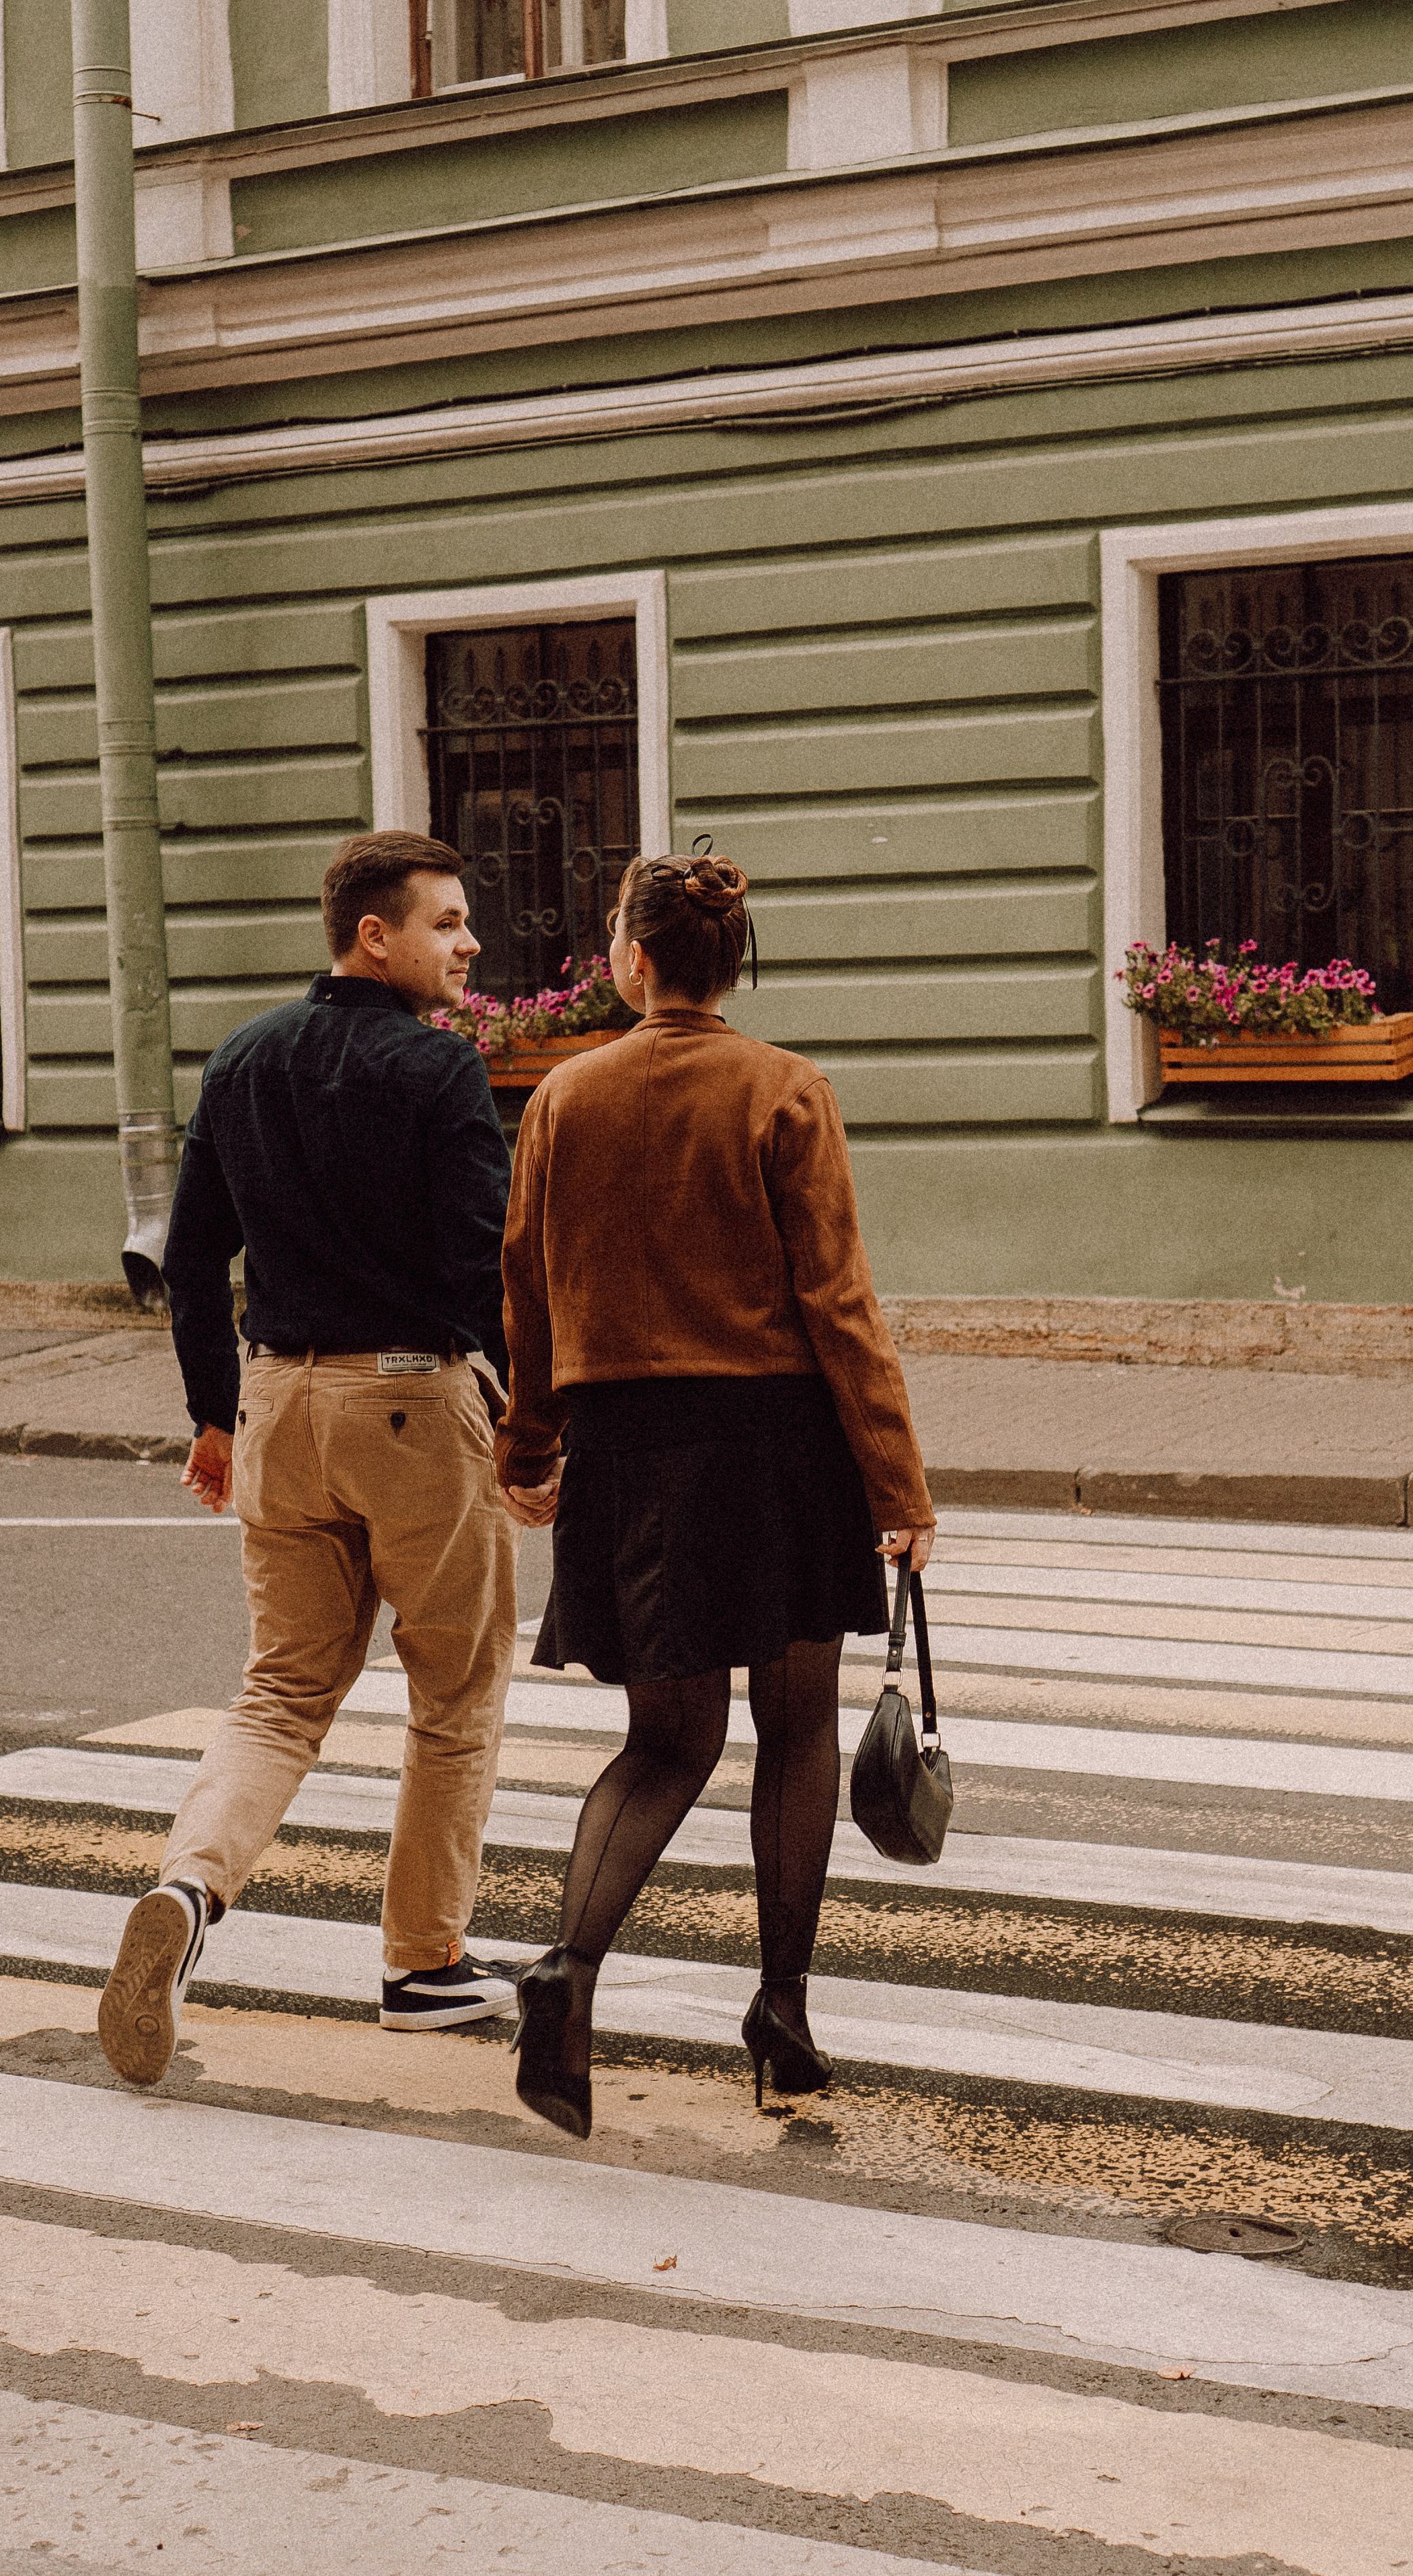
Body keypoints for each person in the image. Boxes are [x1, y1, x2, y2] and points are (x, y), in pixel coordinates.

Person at [496, 845, 935, 2138]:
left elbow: (526, 1287)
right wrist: (897, 1480)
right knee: (794, 1728)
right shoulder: (784, 1089)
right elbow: (838, 1303)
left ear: (628, 960)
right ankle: (783, 2014)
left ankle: (567, 1978)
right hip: (779, 1442)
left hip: (634, 1450)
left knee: (665, 1742)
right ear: (733, 962)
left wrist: (530, 1448)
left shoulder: (565, 1098)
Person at [96, 831, 521, 2088]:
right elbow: (481, 1264)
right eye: (447, 923)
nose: (469, 944)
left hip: (279, 1400)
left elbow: (188, 1261)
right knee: (453, 1693)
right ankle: (422, 1965)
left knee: (281, 1689)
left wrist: (215, 1415)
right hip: (413, 1400)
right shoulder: (441, 1073)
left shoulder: (240, 1060)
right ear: (372, 936)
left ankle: (188, 1889)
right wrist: (533, 1419)